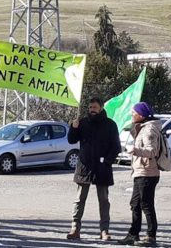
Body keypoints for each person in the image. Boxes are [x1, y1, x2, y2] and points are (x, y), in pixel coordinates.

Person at [66, 97, 121, 241]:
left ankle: (104, 230)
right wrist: (74, 127)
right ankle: (75, 228)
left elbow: (116, 147)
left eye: (94, 107)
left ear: (101, 108)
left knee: (103, 200)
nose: (92, 110)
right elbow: (71, 140)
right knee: (79, 199)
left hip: (102, 169)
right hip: (84, 167)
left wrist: (107, 161)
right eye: (90, 108)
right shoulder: (83, 123)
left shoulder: (110, 125)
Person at [118, 102, 161, 247]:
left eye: (133, 113)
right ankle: (133, 234)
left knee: (146, 204)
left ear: (141, 115)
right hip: (140, 172)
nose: (131, 115)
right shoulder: (142, 128)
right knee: (135, 203)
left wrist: (135, 150)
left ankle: (151, 236)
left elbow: (152, 151)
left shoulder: (149, 130)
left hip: (148, 173)